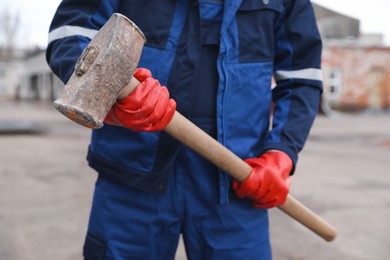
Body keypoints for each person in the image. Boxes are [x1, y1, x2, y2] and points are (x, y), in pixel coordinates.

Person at [46, 0, 322, 259]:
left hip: (237, 178)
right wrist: (110, 93)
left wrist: (281, 151)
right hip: (131, 171)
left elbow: (302, 76)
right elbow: (70, 32)